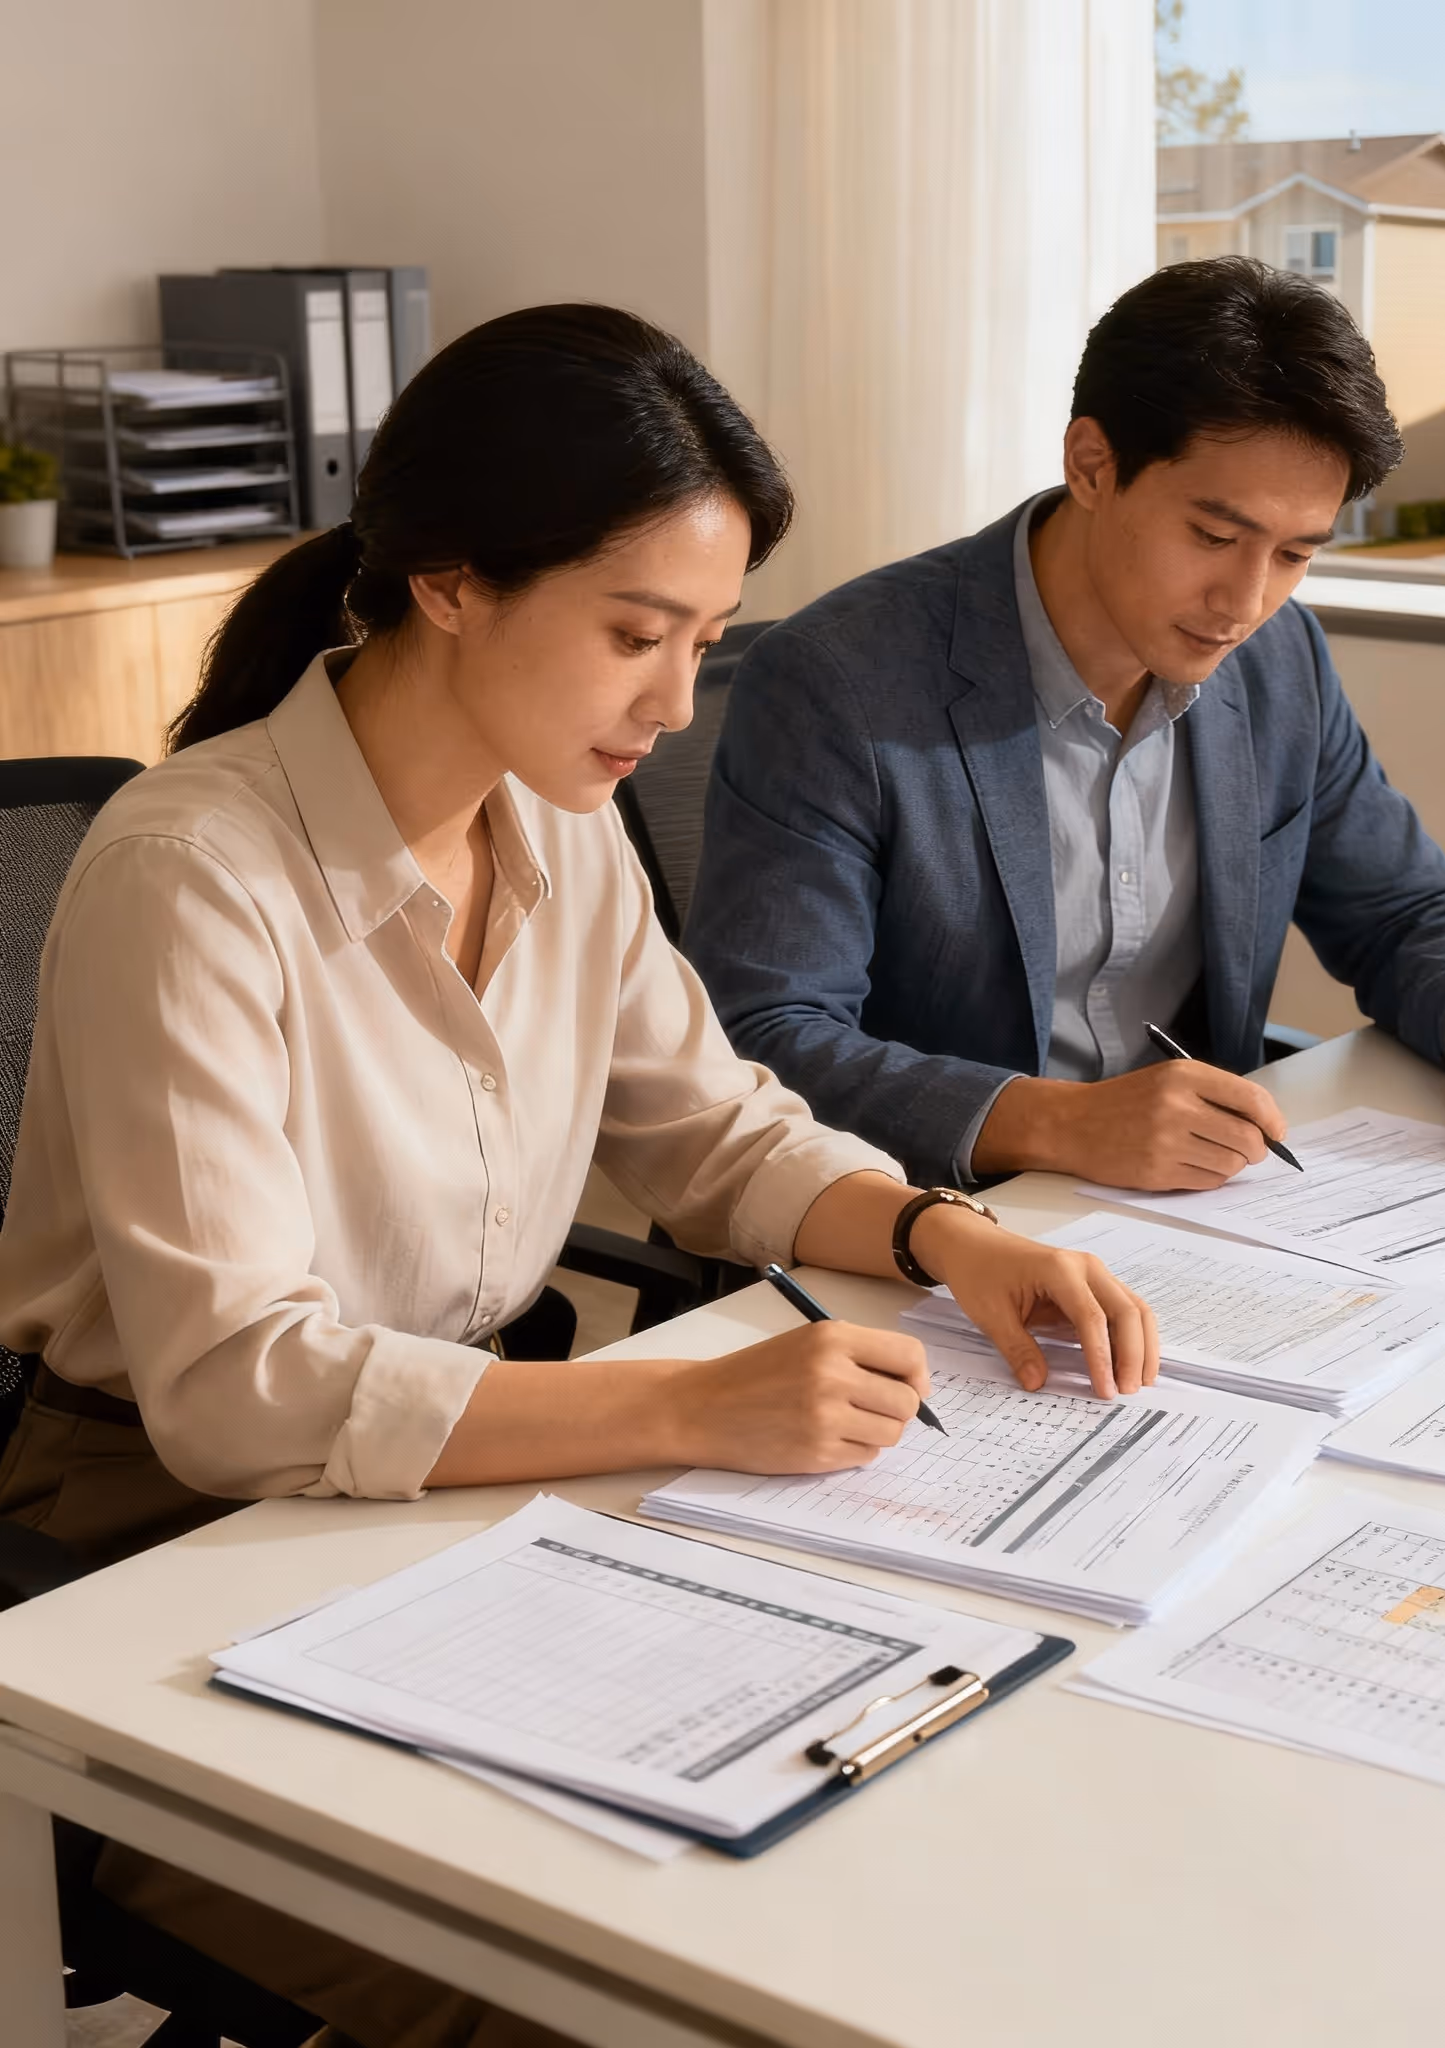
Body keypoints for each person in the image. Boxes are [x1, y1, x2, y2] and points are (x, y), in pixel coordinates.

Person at [0, 304, 1153, 2048]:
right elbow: (241, 1390)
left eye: (702, 638)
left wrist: (938, 1231)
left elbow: (715, 1134)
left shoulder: (554, 819)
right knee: (639, 1996)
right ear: (450, 581)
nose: (675, 702)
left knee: (877, 1857)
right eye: (635, 633)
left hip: (441, 1518)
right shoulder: (195, 875)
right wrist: (689, 1408)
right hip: (152, 1565)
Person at [685, 257, 1445, 1196]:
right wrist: (1060, 1122)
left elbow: (1404, 905)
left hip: (1196, 1213)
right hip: (922, 1218)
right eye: (1214, 536)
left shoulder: (1280, 660)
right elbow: (764, 1038)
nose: (1246, 601)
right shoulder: (838, 682)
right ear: (1092, 465)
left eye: (1293, 553)